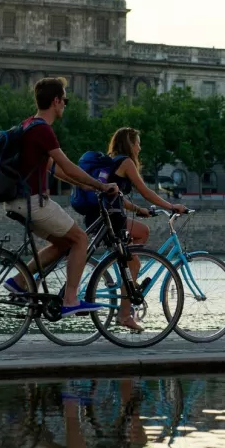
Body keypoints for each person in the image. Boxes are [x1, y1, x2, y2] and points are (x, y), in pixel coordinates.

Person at [2, 77, 119, 317]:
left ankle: (19, 281)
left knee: (64, 243)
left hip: (18, 200)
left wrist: (88, 187)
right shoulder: (43, 130)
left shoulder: (28, 125)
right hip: (32, 201)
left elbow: (56, 169)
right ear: (55, 101)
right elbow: (67, 164)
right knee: (80, 240)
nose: (65, 104)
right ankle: (71, 299)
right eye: (64, 99)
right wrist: (100, 184)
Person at [62, 127, 188, 331]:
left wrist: (139, 210)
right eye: (137, 143)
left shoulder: (112, 161)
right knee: (134, 264)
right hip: (111, 218)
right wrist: (171, 206)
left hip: (102, 214)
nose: (140, 147)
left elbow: (115, 195)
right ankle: (125, 313)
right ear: (129, 144)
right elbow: (145, 191)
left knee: (141, 235)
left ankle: (126, 282)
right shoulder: (126, 162)